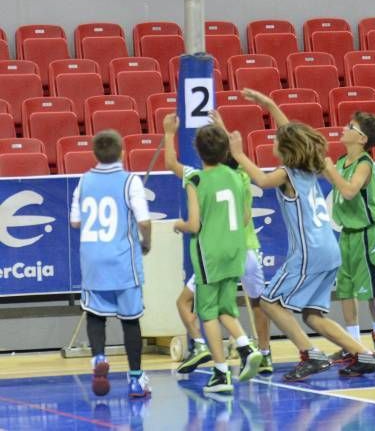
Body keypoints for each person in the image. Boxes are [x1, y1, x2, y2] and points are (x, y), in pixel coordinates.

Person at [228, 88, 375, 381]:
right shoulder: (310, 168)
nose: (273, 141)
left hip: (310, 251)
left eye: (275, 140)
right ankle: (365, 354)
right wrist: (271, 104)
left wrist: (238, 154)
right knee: (313, 315)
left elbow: (260, 178)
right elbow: (293, 134)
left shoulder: (287, 173)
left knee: (270, 302)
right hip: (329, 249)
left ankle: (310, 354)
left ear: (286, 150)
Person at [164, 111, 273, 376]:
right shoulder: (238, 177)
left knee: (208, 313)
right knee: (227, 308)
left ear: (197, 151)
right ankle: (249, 348)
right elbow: (247, 215)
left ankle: (221, 370)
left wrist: (169, 133)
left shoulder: (196, 178)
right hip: (237, 251)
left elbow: (194, 225)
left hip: (210, 254)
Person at [69, 130, 152, 398]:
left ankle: (98, 359)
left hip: (92, 259)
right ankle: (136, 380)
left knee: (95, 315)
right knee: (130, 321)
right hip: (121, 261)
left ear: (94, 154)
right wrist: (146, 241)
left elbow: (75, 222)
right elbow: (144, 220)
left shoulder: (84, 181)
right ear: (123, 152)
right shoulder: (130, 181)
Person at [322, 111, 375, 363]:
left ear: (362, 138)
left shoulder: (364, 163)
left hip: (369, 234)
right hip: (347, 234)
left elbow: (351, 190)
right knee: (345, 289)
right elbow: (328, 173)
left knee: (372, 291)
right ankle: (353, 344)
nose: (344, 128)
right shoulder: (341, 160)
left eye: (350, 126)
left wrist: (329, 170)